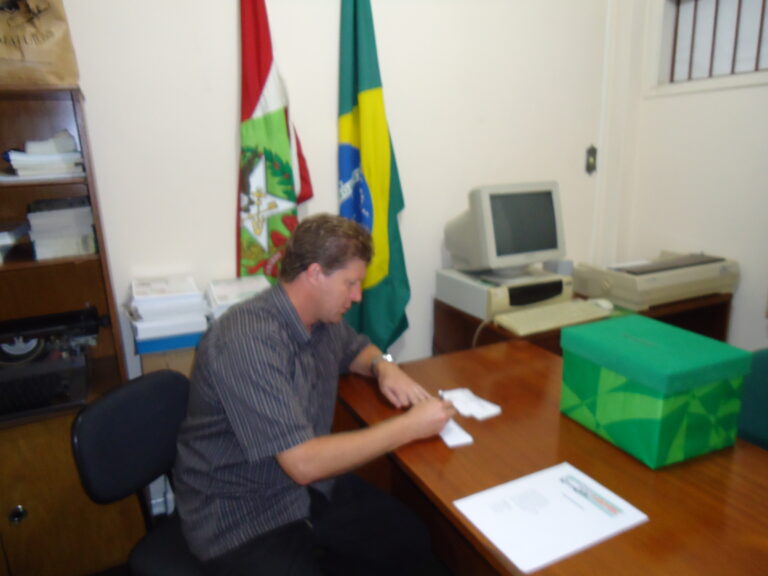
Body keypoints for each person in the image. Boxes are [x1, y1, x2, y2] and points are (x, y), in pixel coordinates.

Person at [173, 213, 456, 575]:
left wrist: (384, 366)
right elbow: (303, 464)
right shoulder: (245, 341)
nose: (357, 296)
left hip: (308, 491)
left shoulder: (322, 319)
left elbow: (357, 349)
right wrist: (410, 427)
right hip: (240, 516)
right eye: (350, 283)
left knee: (410, 538)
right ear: (315, 273)